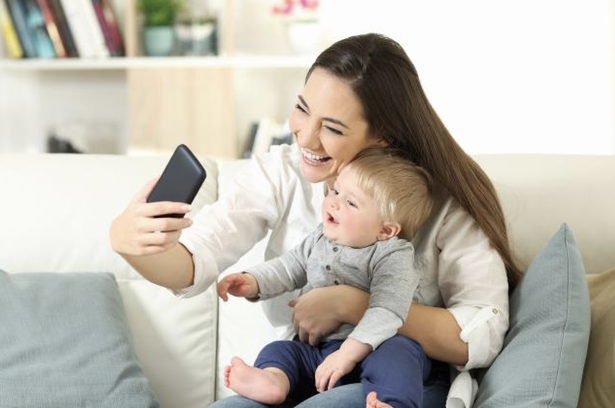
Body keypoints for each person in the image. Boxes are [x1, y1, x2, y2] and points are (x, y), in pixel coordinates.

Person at [110, 33, 519, 408]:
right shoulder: (283, 173)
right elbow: (195, 262)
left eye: (333, 128)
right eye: (303, 109)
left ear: (384, 138)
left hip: (400, 380)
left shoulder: (439, 203)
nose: (304, 138)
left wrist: (352, 304)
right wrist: (132, 243)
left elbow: (483, 331)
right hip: (309, 368)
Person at [216, 148, 434, 408]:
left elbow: (388, 310)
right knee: (281, 350)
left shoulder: (393, 254)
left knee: (401, 354)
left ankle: (391, 402)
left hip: (373, 349)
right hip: (319, 351)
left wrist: (348, 354)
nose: (334, 202)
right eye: (336, 191)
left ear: (385, 230)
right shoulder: (320, 237)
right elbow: (291, 266)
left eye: (351, 203)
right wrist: (253, 281)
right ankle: (273, 380)